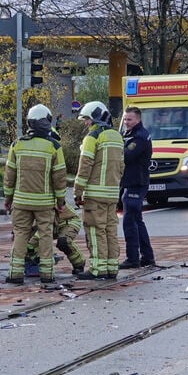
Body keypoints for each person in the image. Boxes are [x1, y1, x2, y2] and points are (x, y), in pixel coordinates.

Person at [3, 104, 67, 284]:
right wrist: (61, 201)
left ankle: (15, 273)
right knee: (45, 235)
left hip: (21, 201)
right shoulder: (54, 146)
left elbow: (9, 176)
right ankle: (47, 274)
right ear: (46, 122)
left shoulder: (17, 144)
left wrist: (8, 199)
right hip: (44, 203)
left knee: (21, 234)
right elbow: (60, 177)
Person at [73, 101, 125, 280]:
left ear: (96, 118)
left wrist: (77, 191)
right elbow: (121, 166)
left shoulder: (92, 137)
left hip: (95, 195)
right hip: (112, 194)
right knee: (110, 230)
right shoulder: (117, 137)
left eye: (87, 119)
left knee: (95, 231)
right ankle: (112, 267)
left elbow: (85, 166)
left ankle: (98, 268)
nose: (86, 123)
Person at [119, 106, 155, 269]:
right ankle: (147, 257)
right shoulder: (130, 134)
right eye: (125, 119)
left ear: (138, 120)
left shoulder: (139, 137)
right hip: (132, 182)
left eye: (130, 119)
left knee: (129, 221)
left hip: (136, 183)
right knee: (137, 220)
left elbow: (126, 156)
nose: (126, 122)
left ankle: (133, 258)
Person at [24, 201, 85, 276]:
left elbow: (43, 229)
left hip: (67, 221)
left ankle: (79, 264)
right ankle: (36, 262)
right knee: (28, 243)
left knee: (63, 242)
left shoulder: (45, 200)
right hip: (49, 224)